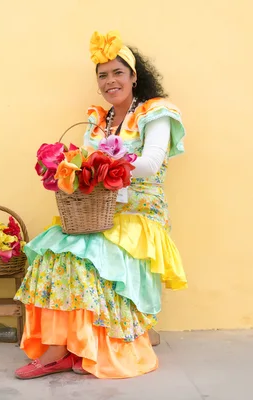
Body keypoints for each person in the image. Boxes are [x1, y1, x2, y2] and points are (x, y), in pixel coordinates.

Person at [13, 30, 187, 380]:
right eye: (103, 75)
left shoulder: (157, 112)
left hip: (140, 215)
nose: (110, 81)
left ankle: (89, 346)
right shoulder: (98, 121)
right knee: (54, 254)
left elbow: (151, 163)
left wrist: (103, 161)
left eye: (118, 73)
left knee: (87, 262)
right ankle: (63, 347)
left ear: (134, 76)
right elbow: (85, 163)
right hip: (101, 212)